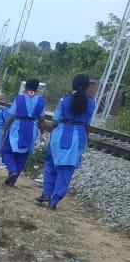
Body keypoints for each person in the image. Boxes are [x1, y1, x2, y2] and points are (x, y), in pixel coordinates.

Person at [38, 74, 95, 210]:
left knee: (51, 163)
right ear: (87, 86)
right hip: (79, 136)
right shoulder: (91, 102)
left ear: (73, 84)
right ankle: (55, 200)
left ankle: (46, 193)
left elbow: (55, 121)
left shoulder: (64, 99)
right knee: (67, 168)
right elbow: (88, 124)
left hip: (61, 133)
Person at [0, 78, 46, 186]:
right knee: (23, 156)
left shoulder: (19, 98)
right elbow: (42, 120)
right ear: (37, 88)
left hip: (18, 126)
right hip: (32, 128)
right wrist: (42, 133)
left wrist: (5, 129)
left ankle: (12, 171)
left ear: (25, 87)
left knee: (7, 151)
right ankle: (12, 180)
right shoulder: (41, 101)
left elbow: (11, 116)